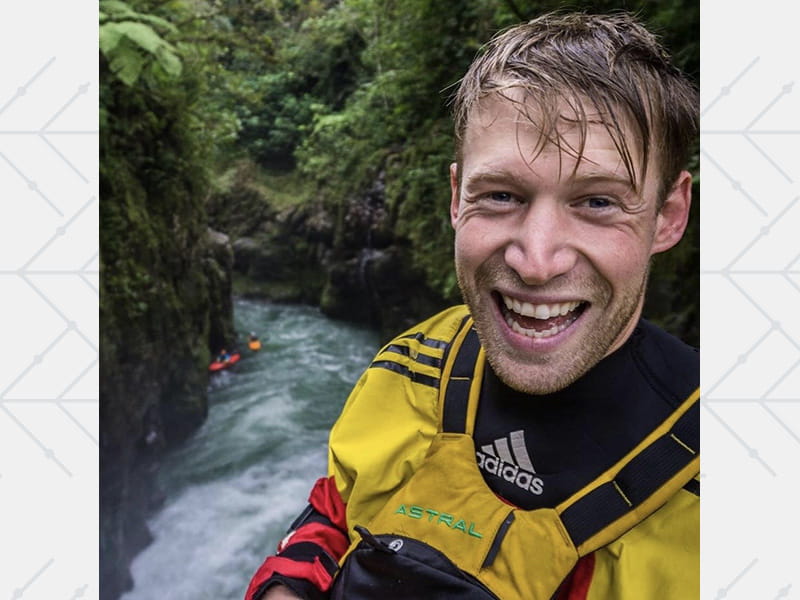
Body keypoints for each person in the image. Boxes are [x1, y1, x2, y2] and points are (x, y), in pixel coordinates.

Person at [245, 11, 699, 600]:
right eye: (502, 195)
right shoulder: (412, 365)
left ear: (667, 216)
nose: (537, 261)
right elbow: (334, 513)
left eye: (597, 203)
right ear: (457, 198)